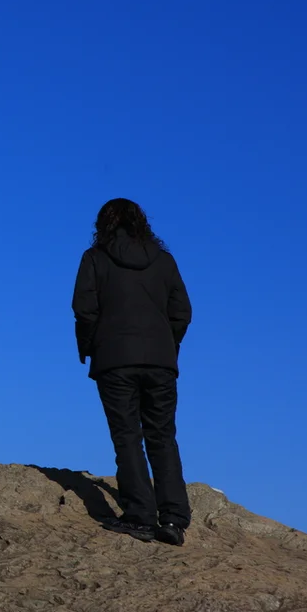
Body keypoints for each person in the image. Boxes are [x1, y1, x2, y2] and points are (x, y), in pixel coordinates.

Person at [72, 199, 192, 546]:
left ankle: (140, 514)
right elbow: (181, 312)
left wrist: (91, 346)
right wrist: (167, 346)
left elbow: (84, 309)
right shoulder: (164, 261)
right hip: (160, 363)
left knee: (127, 435)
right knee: (163, 436)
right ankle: (172, 519)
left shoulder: (95, 258)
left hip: (115, 361)